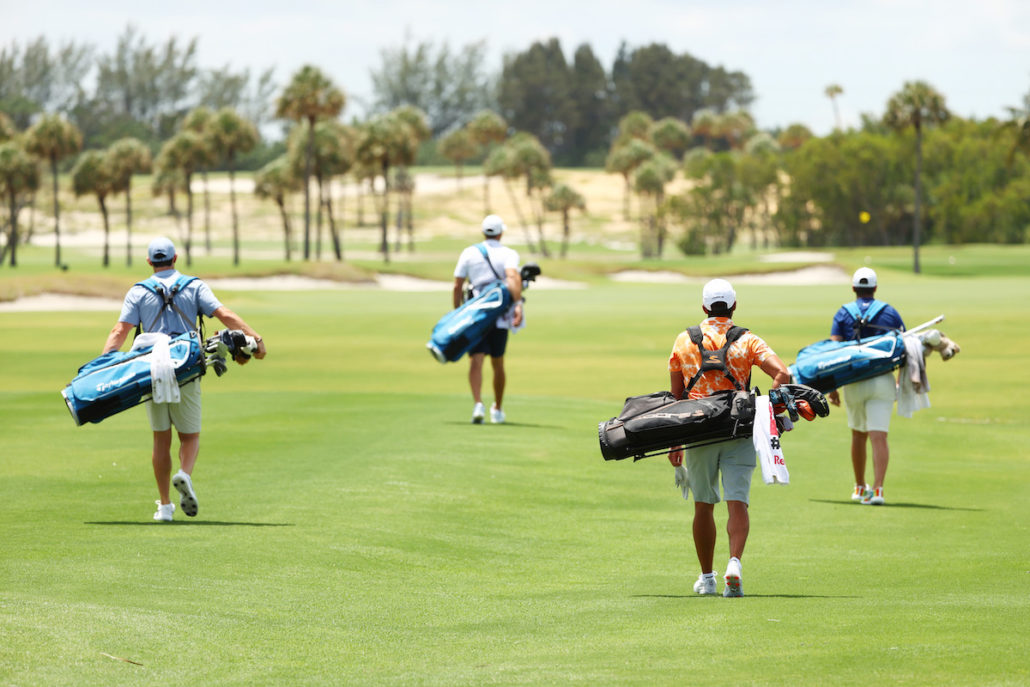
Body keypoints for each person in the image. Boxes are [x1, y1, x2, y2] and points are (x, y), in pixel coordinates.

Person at [102, 237, 267, 522]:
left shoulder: (138, 291)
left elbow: (120, 331)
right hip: (186, 368)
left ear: (149, 262)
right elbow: (223, 314)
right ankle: (184, 474)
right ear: (175, 258)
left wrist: (103, 366)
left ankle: (165, 506)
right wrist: (256, 338)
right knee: (189, 436)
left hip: (151, 370)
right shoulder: (194, 286)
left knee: (160, 438)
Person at [667, 279, 790, 597]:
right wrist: (769, 408)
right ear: (733, 306)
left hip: (698, 431)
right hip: (739, 429)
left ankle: (707, 578)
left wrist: (674, 442)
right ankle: (734, 563)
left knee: (703, 505)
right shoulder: (748, 340)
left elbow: (676, 397)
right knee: (738, 503)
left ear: (704, 307)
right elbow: (783, 373)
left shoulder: (684, 340)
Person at [827, 267, 905, 506]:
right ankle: (879, 489)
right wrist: (901, 382)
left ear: (853, 289)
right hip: (882, 380)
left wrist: (832, 386)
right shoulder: (889, 312)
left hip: (853, 381)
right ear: (875, 288)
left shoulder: (843, 313)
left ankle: (860, 487)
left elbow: (833, 352)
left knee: (858, 435)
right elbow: (905, 347)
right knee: (878, 437)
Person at [451, 215, 523, 424]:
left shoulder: (469, 252)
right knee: (498, 362)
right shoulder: (509, 254)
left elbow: (457, 286)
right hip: (499, 316)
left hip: (475, 316)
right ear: (500, 233)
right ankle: (498, 409)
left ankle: (478, 404)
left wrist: (458, 314)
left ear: (483, 232)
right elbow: (512, 278)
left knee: (476, 360)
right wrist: (518, 305)